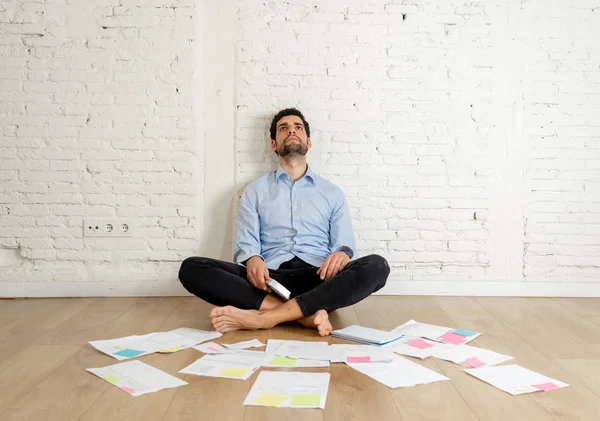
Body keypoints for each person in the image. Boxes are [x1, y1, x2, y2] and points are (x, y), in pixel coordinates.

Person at [179, 108, 390, 336]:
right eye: (283, 128)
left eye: (297, 127)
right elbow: (246, 243)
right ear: (273, 144)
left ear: (308, 142)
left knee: (377, 266)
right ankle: (304, 316)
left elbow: (344, 243)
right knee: (192, 268)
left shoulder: (332, 193)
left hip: (320, 278)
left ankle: (266, 318)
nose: (291, 130)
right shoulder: (254, 191)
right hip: (269, 280)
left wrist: (342, 253)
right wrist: (252, 259)